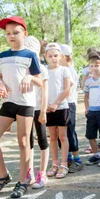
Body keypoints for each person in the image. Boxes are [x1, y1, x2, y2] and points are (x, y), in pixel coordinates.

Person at [0, 16, 42, 198]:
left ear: (24, 34)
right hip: (9, 102)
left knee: (23, 142)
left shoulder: (30, 55)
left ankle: (23, 180)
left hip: (26, 104)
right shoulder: (3, 56)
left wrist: (29, 77)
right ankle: (3, 175)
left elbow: (40, 81)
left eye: (16, 32)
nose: (11, 36)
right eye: (8, 33)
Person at [24, 36, 50, 189]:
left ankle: (42, 172)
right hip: (25, 108)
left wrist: (43, 111)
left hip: (39, 108)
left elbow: (45, 92)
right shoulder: (22, 68)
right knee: (28, 141)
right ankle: (30, 172)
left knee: (42, 140)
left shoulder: (42, 68)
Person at [44, 43, 71, 179]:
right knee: (52, 137)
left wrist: (55, 103)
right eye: (50, 56)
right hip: (48, 109)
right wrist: (46, 105)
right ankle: (54, 163)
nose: (53, 58)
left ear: (60, 56)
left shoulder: (64, 70)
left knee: (63, 137)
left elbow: (67, 89)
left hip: (61, 107)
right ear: (45, 57)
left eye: (56, 55)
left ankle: (64, 163)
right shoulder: (44, 71)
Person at [59, 44, 83, 173]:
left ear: (63, 56)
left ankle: (77, 159)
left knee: (69, 132)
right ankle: (67, 158)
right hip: (60, 105)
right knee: (61, 134)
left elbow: (66, 90)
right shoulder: (61, 69)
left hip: (68, 104)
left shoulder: (69, 71)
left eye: (56, 55)